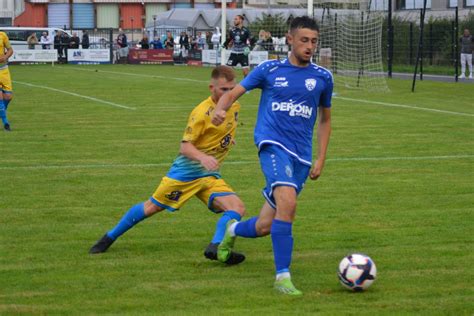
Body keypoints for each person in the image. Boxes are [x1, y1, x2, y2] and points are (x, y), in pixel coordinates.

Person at [212, 16, 333, 296]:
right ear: (289, 39)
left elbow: (325, 121)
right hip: (272, 144)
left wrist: (321, 159)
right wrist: (220, 108)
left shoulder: (322, 77)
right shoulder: (269, 69)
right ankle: (282, 277)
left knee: (266, 225)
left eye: (314, 41)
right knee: (288, 203)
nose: (309, 46)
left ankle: (231, 231)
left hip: (301, 157)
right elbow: (233, 94)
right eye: (304, 40)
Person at [90, 65, 247, 265]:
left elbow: (227, 122)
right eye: (223, 89)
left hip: (209, 176)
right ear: (211, 88)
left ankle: (216, 247)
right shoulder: (201, 113)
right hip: (185, 174)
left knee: (237, 207)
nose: (228, 94)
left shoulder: (233, 104)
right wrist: (202, 157)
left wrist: (226, 139)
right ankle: (108, 238)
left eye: (231, 89)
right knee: (152, 207)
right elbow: (185, 147)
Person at [0, 31, 14, 131]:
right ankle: (6, 123)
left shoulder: (2, 35)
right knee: (0, 97)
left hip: (4, 70)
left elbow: (10, 50)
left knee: (8, 96)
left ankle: (1, 112)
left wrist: (5, 57)